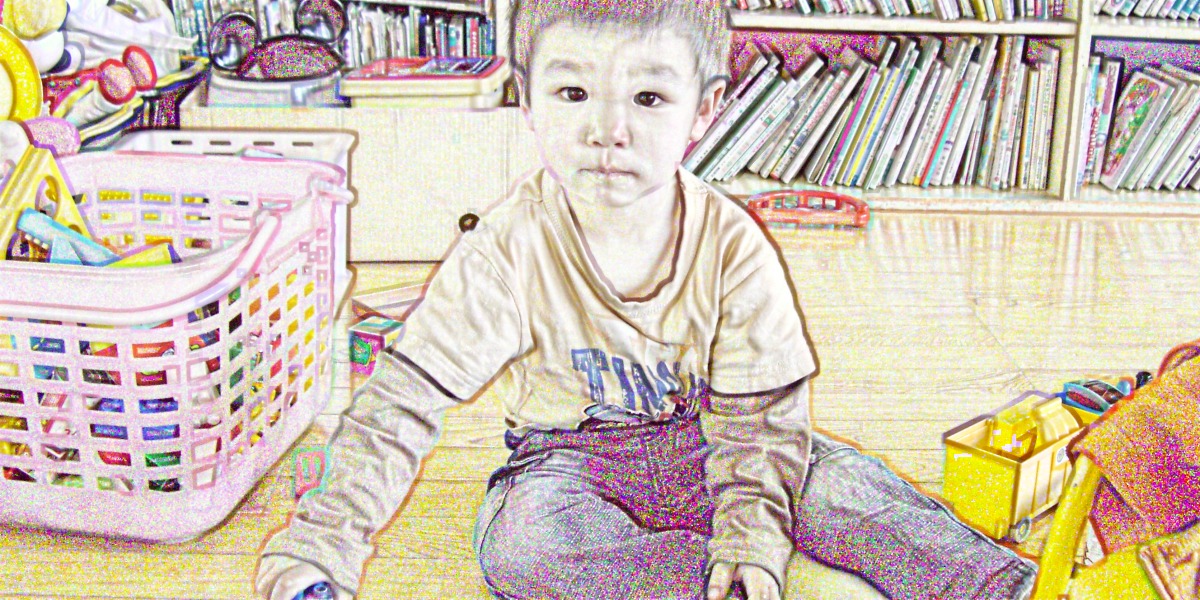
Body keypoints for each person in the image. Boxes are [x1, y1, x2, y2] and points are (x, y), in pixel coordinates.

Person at [254, 1, 1038, 598]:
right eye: (572, 92)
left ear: (706, 108)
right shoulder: (507, 248)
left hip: (717, 436)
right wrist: (319, 546)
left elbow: (761, 421)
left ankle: (1009, 586)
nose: (608, 130)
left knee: (844, 488)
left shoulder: (732, 246)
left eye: (649, 98)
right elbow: (400, 404)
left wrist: (751, 529)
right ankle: (726, 577)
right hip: (570, 461)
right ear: (527, 100)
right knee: (523, 547)